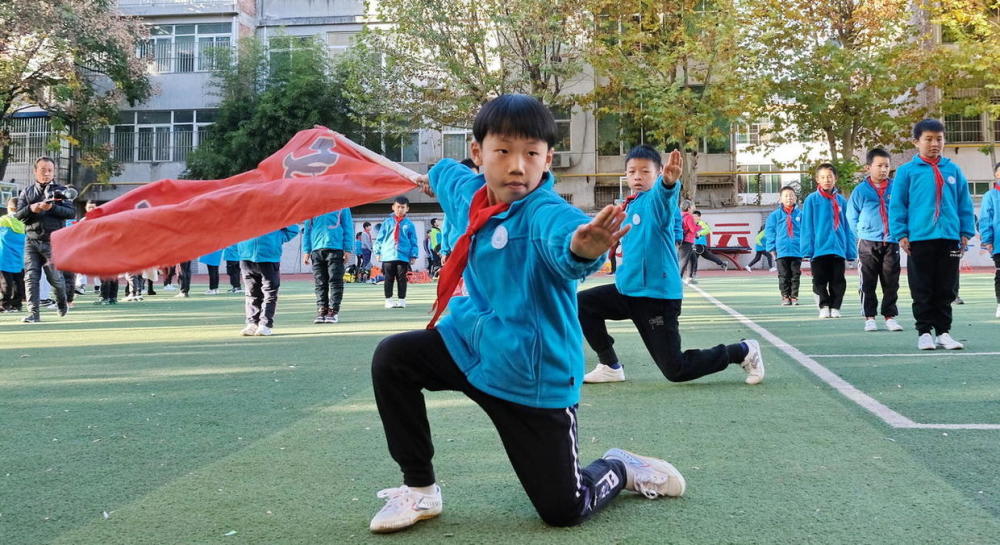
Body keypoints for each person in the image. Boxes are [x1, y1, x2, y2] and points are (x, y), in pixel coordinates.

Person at [369, 94, 686, 535]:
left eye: (531, 154)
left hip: (530, 375)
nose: (518, 166)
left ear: (547, 158)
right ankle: (420, 489)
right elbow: (446, 174)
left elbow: (566, 242)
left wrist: (583, 248)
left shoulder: (545, 213)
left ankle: (620, 466)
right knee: (394, 357)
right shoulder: (467, 191)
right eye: (503, 151)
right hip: (471, 345)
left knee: (563, 509)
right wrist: (433, 177)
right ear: (479, 153)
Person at [578, 144, 764, 385]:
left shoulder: (656, 201)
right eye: (632, 171)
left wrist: (668, 184)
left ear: (657, 173)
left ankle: (743, 351)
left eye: (645, 171)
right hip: (627, 291)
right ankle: (610, 365)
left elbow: (663, 199)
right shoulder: (630, 204)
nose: (637, 176)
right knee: (582, 304)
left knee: (676, 370)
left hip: (656, 297)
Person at [889, 119, 975, 350]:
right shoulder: (906, 172)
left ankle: (944, 332)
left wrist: (966, 231)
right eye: (928, 139)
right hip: (919, 237)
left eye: (939, 139)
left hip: (949, 238)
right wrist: (901, 233)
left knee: (947, 286)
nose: (934, 144)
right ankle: (924, 332)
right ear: (916, 142)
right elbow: (898, 205)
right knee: (922, 286)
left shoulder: (953, 169)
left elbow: (963, 203)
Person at [847, 148, 904, 332]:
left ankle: (890, 316)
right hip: (867, 243)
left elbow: (904, 210)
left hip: (892, 241)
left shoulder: (896, 188)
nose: (883, 169)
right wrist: (862, 232)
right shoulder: (860, 191)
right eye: (879, 166)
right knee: (867, 281)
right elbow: (851, 216)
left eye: (886, 166)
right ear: (868, 168)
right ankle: (869, 317)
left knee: (891, 282)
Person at [13, 157, 74, 322]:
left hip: (52, 242)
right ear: (35, 171)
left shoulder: (61, 191)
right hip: (31, 241)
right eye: (42, 170)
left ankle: (62, 302)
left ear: (54, 172)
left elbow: (71, 213)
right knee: (31, 277)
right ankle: (34, 314)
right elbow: (18, 215)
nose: (46, 173)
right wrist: (31, 208)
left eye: (50, 170)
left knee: (55, 278)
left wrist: (52, 207)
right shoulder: (27, 192)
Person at [801, 163, 856, 319]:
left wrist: (850, 251)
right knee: (819, 280)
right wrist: (807, 249)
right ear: (817, 179)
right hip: (818, 249)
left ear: (835, 179)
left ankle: (835, 307)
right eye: (823, 177)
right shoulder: (811, 200)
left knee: (838, 280)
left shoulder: (842, 201)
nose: (827, 180)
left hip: (838, 248)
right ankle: (824, 305)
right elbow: (807, 226)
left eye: (830, 177)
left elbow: (848, 227)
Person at [237, 224, 299, 336]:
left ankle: (264, 324)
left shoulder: (276, 210)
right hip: (246, 257)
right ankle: (252, 323)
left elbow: (293, 228)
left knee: (269, 293)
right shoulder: (243, 210)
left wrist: (277, 239)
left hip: (269, 257)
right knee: (251, 293)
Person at [302, 207, 353, 324]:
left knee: (335, 281)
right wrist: (306, 250)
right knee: (320, 282)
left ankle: (333, 311)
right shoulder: (311, 206)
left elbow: (348, 227)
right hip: (316, 250)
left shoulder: (343, 206)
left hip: (336, 249)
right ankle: (322, 309)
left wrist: (348, 249)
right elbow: (307, 230)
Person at [374, 196, 418, 308]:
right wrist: (377, 252)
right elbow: (380, 238)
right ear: (393, 207)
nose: (400, 210)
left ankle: (402, 300)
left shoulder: (409, 224)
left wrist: (413, 254)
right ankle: (388, 300)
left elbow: (413, 240)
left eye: (403, 207)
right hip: (388, 255)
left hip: (403, 256)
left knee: (402, 278)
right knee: (388, 278)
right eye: (398, 207)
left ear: (407, 209)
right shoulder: (387, 222)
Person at [765, 186, 804, 306]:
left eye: (792, 195)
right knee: (783, 275)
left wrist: (806, 247)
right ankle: (785, 296)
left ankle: (794, 296)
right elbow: (770, 232)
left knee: (795, 275)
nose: (789, 198)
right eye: (786, 196)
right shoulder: (774, 215)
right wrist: (771, 248)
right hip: (781, 250)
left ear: (795, 198)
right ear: (780, 199)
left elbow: (806, 231)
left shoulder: (801, 214)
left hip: (797, 250)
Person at [981, 162, 1000, 319]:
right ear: (996, 175)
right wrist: (987, 240)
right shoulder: (990, 196)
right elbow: (985, 219)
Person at [1, 197, 26, 312]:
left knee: (6, 284)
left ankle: (5, 305)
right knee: (19, 283)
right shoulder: (26, 221)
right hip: (20, 258)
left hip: (4, 257)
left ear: (10, 208)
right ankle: (16, 304)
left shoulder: (2, 220)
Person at [678, 200, 699, 283]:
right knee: (684, 261)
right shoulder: (689, 217)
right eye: (692, 206)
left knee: (692, 258)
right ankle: (678, 279)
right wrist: (699, 226)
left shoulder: (680, 215)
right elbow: (693, 229)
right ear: (689, 208)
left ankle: (689, 277)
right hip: (687, 240)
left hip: (682, 239)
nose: (693, 208)